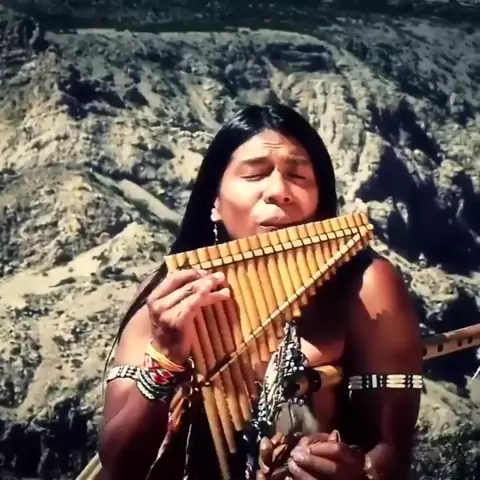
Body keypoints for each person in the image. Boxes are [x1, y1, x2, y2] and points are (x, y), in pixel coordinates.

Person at [98, 104, 424, 480]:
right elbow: (119, 467)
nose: (279, 191)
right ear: (214, 202)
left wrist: (350, 472)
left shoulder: (365, 286)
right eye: (254, 174)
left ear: (320, 200)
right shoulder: (170, 295)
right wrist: (166, 354)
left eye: (298, 176)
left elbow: (391, 455)